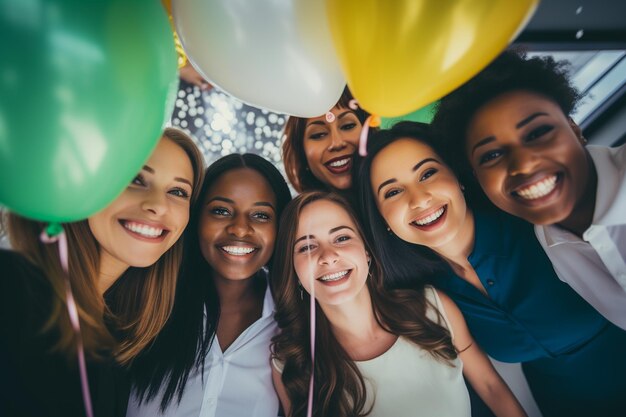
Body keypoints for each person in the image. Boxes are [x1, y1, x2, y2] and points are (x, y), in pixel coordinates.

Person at [358, 121, 626, 417]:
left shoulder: (535, 224)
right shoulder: (433, 298)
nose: (419, 199)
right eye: (392, 192)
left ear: (457, 176)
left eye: (428, 173)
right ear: (383, 219)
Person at [0, 127, 205, 417]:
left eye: (177, 191)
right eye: (135, 179)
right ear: (84, 184)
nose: (158, 205)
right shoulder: (10, 286)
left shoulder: (117, 344)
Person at [271, 191, 527, 417]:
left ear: (367, 251)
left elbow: (492, 388)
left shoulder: (432, 307)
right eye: (307, 246)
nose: (327, 257)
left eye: (341, 238)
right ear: (292, 268)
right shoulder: (290, 362)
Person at [432, 49, 626, 331]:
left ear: (574, 130)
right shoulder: (548, 240)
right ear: (476, 177)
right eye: (491, 155)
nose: (522, 165)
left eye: (537, 133)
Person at [127, 153, 292, 417]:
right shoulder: (146, 301)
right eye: (220, 211)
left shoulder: (295, 325)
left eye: (261, 215)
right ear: (195, 218)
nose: (240, 229)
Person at [282, 86, 369, 198]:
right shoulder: (301, 215)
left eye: (348, 126)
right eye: (318, 135)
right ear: (302, 154)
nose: (337, 143)